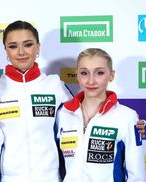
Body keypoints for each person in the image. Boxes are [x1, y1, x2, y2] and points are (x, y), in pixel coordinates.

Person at [0, 21, 146, 181]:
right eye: (13, 46)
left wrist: (129, 125)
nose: (21, 52)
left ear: (38, 48)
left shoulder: (54, 85)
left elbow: (83, 114)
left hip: (51, 178)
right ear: (5, 50)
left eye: (27, 44)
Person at [57, 48, 145, 181]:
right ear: (77, 75)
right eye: (84, 73)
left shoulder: (127, 117)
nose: (91, 81)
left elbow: (136, 175)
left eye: (99, 73)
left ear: (111, 75)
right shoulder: (63, 114)